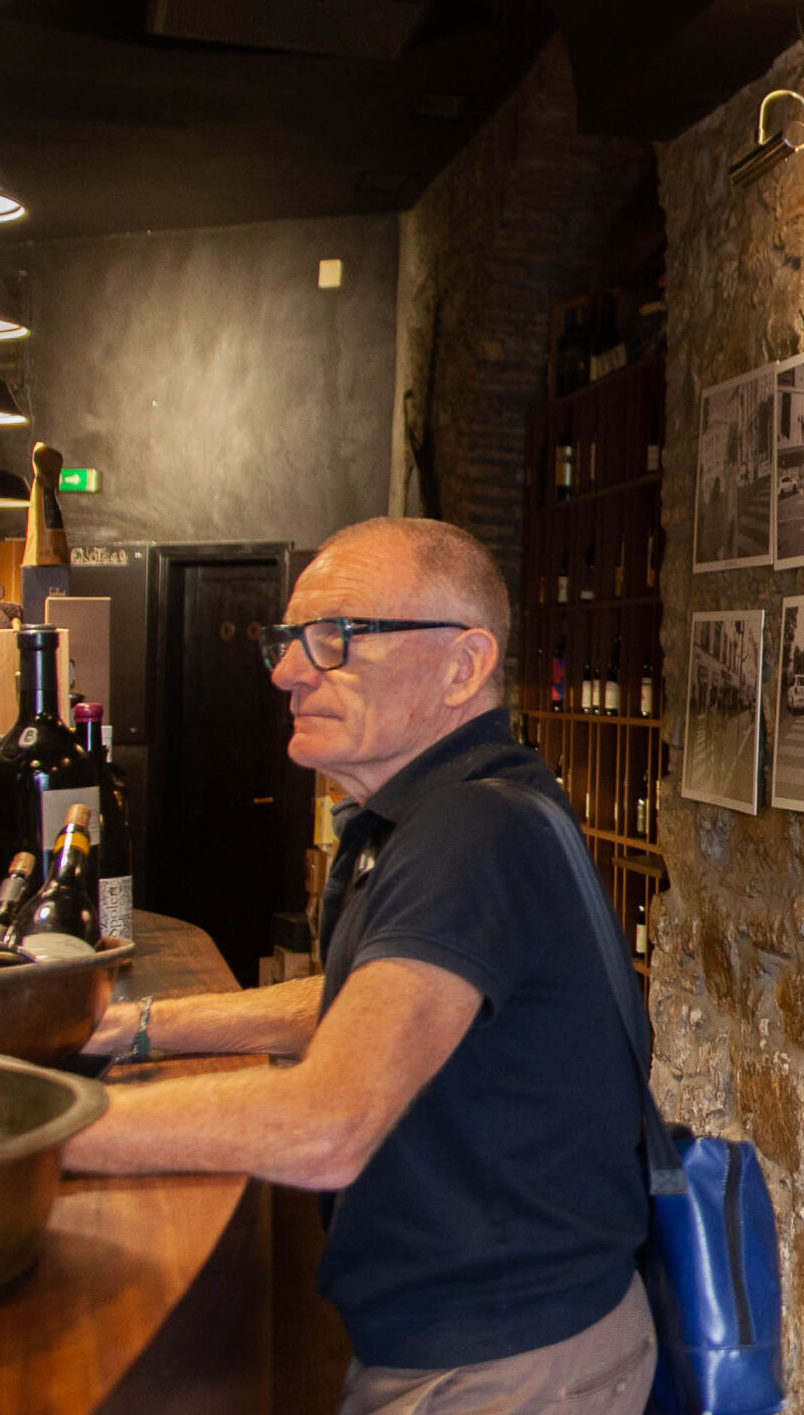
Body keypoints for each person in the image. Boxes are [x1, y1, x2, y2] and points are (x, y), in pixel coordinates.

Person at [65, 518, 654, 1413]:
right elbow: (365, 1001)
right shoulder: (445, 812)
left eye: (336, 636)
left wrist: (24, 1138)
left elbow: (328, 1123)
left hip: (508, 1366)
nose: (286, 670)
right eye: (288, 638)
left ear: (463, 665)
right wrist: (134, 1025)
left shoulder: (469, 833)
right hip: (496, 1343)